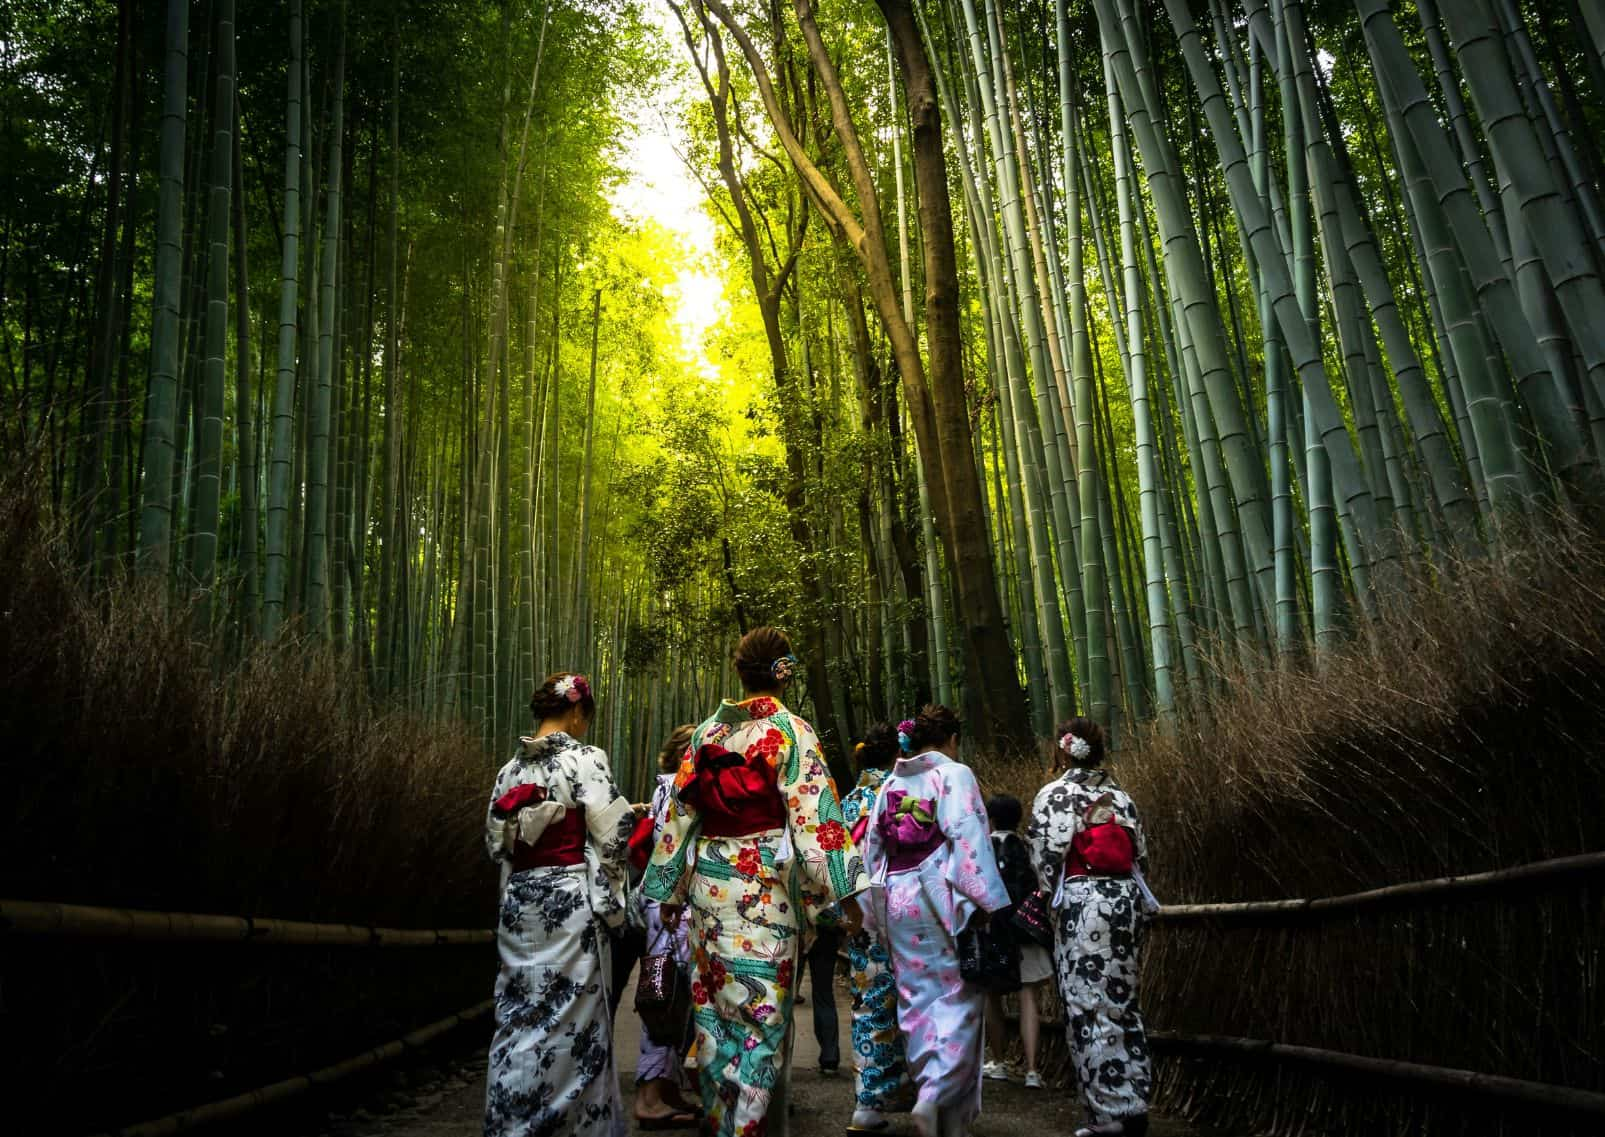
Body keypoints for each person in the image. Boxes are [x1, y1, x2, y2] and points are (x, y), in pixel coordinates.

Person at [643, 626, 870, 1137]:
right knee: (762, 1014)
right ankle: (743, 1128)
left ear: (740, 672)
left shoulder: (706, 735)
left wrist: (669, 890)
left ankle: (728, 1120)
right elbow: (819, 823)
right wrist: (848, 894)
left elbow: (679, 817)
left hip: (708, 883)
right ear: (784, 673)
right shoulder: (791, 731)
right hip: (764, 884)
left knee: (716, 1014)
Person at [483, 672, 635, 1137]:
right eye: (586, 716)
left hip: (522, 901)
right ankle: (577, 1126)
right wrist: (612, 891)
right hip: (570, 903)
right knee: (576, 1018)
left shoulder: (509, 771)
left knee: (518, 1011)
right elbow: (614, 836)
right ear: (575, 712)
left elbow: (496, 845)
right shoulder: (585, 758)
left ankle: (511, 1116)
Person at [858, 705, 1010, 1137]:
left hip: (898, 897)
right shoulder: (953, 774)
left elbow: (873, 848)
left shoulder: (892, 782)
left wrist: (875, 909)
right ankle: (935, 1094)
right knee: (959, 1000)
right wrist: (985, 900)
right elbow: (966, 833)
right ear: (952, 739)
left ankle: (936, 1100)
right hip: (939, 896)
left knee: (915, 999)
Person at [1027, 718, 1153, 1137]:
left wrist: (1047, 899)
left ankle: (1107, 1112)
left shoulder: (1056, 795)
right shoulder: (1121, 796)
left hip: (1083, 905)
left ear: (1063, 749)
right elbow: (1141, 854)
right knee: (1123, 1002)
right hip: (1126, 902)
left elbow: (1045, 859)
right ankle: (1134, 1103)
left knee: (1086, 1006)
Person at [840, 722, 910, 1133]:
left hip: (858, 913)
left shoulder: (847, 802)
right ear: (897, 755)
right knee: (915, 1002)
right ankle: (892, 1093)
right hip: (902, 909)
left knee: (868, 1002)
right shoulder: (899, 795)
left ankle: (871, 1098)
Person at [635, 724, 703, 1129]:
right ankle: (648, 1095)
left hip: (666, 898)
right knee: (662, 995)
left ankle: (668, 1089)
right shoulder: (677, 791)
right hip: (669, 904)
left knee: (677, 998)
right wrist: (675, 896)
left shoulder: (666, 789)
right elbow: (673, 847)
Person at [981, 793, 1052, 1089]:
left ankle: (998, 1062)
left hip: (993, 933)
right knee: (1028, 998)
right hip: (1026, 932)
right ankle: (1033, 1070)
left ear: (991, 818)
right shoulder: (1028, 848)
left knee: (992, 997)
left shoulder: (982, 849)